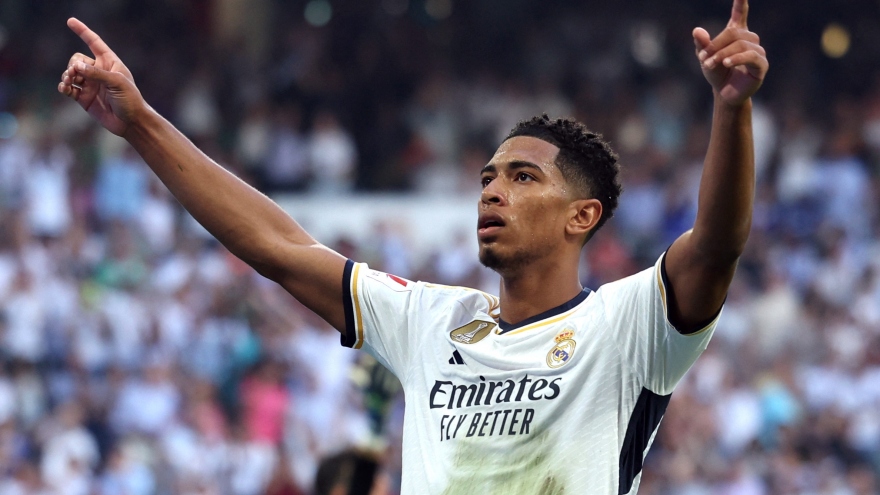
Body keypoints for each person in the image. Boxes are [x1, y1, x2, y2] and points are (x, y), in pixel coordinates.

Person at [57, 0, 768, 492]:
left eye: (523, 178)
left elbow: (715, 246)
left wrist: (731, 109)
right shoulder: (431, 321)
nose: (492, 192)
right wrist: (141, 122)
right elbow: (277, 245)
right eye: (488, 178)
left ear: (582, 215)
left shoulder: (627, 326)